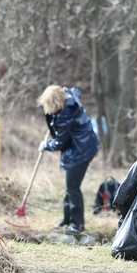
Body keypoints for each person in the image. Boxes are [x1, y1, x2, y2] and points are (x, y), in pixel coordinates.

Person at [38, 85, 100, 235]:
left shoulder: (65, 116)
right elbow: (76, 90)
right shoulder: (71, 98)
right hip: (84, 144)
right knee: (70, 187)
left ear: (56, 103)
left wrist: (45, 145)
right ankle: (67, 219)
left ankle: (77, 224)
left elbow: (60, 142)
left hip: (80, 151)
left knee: (73, 187)